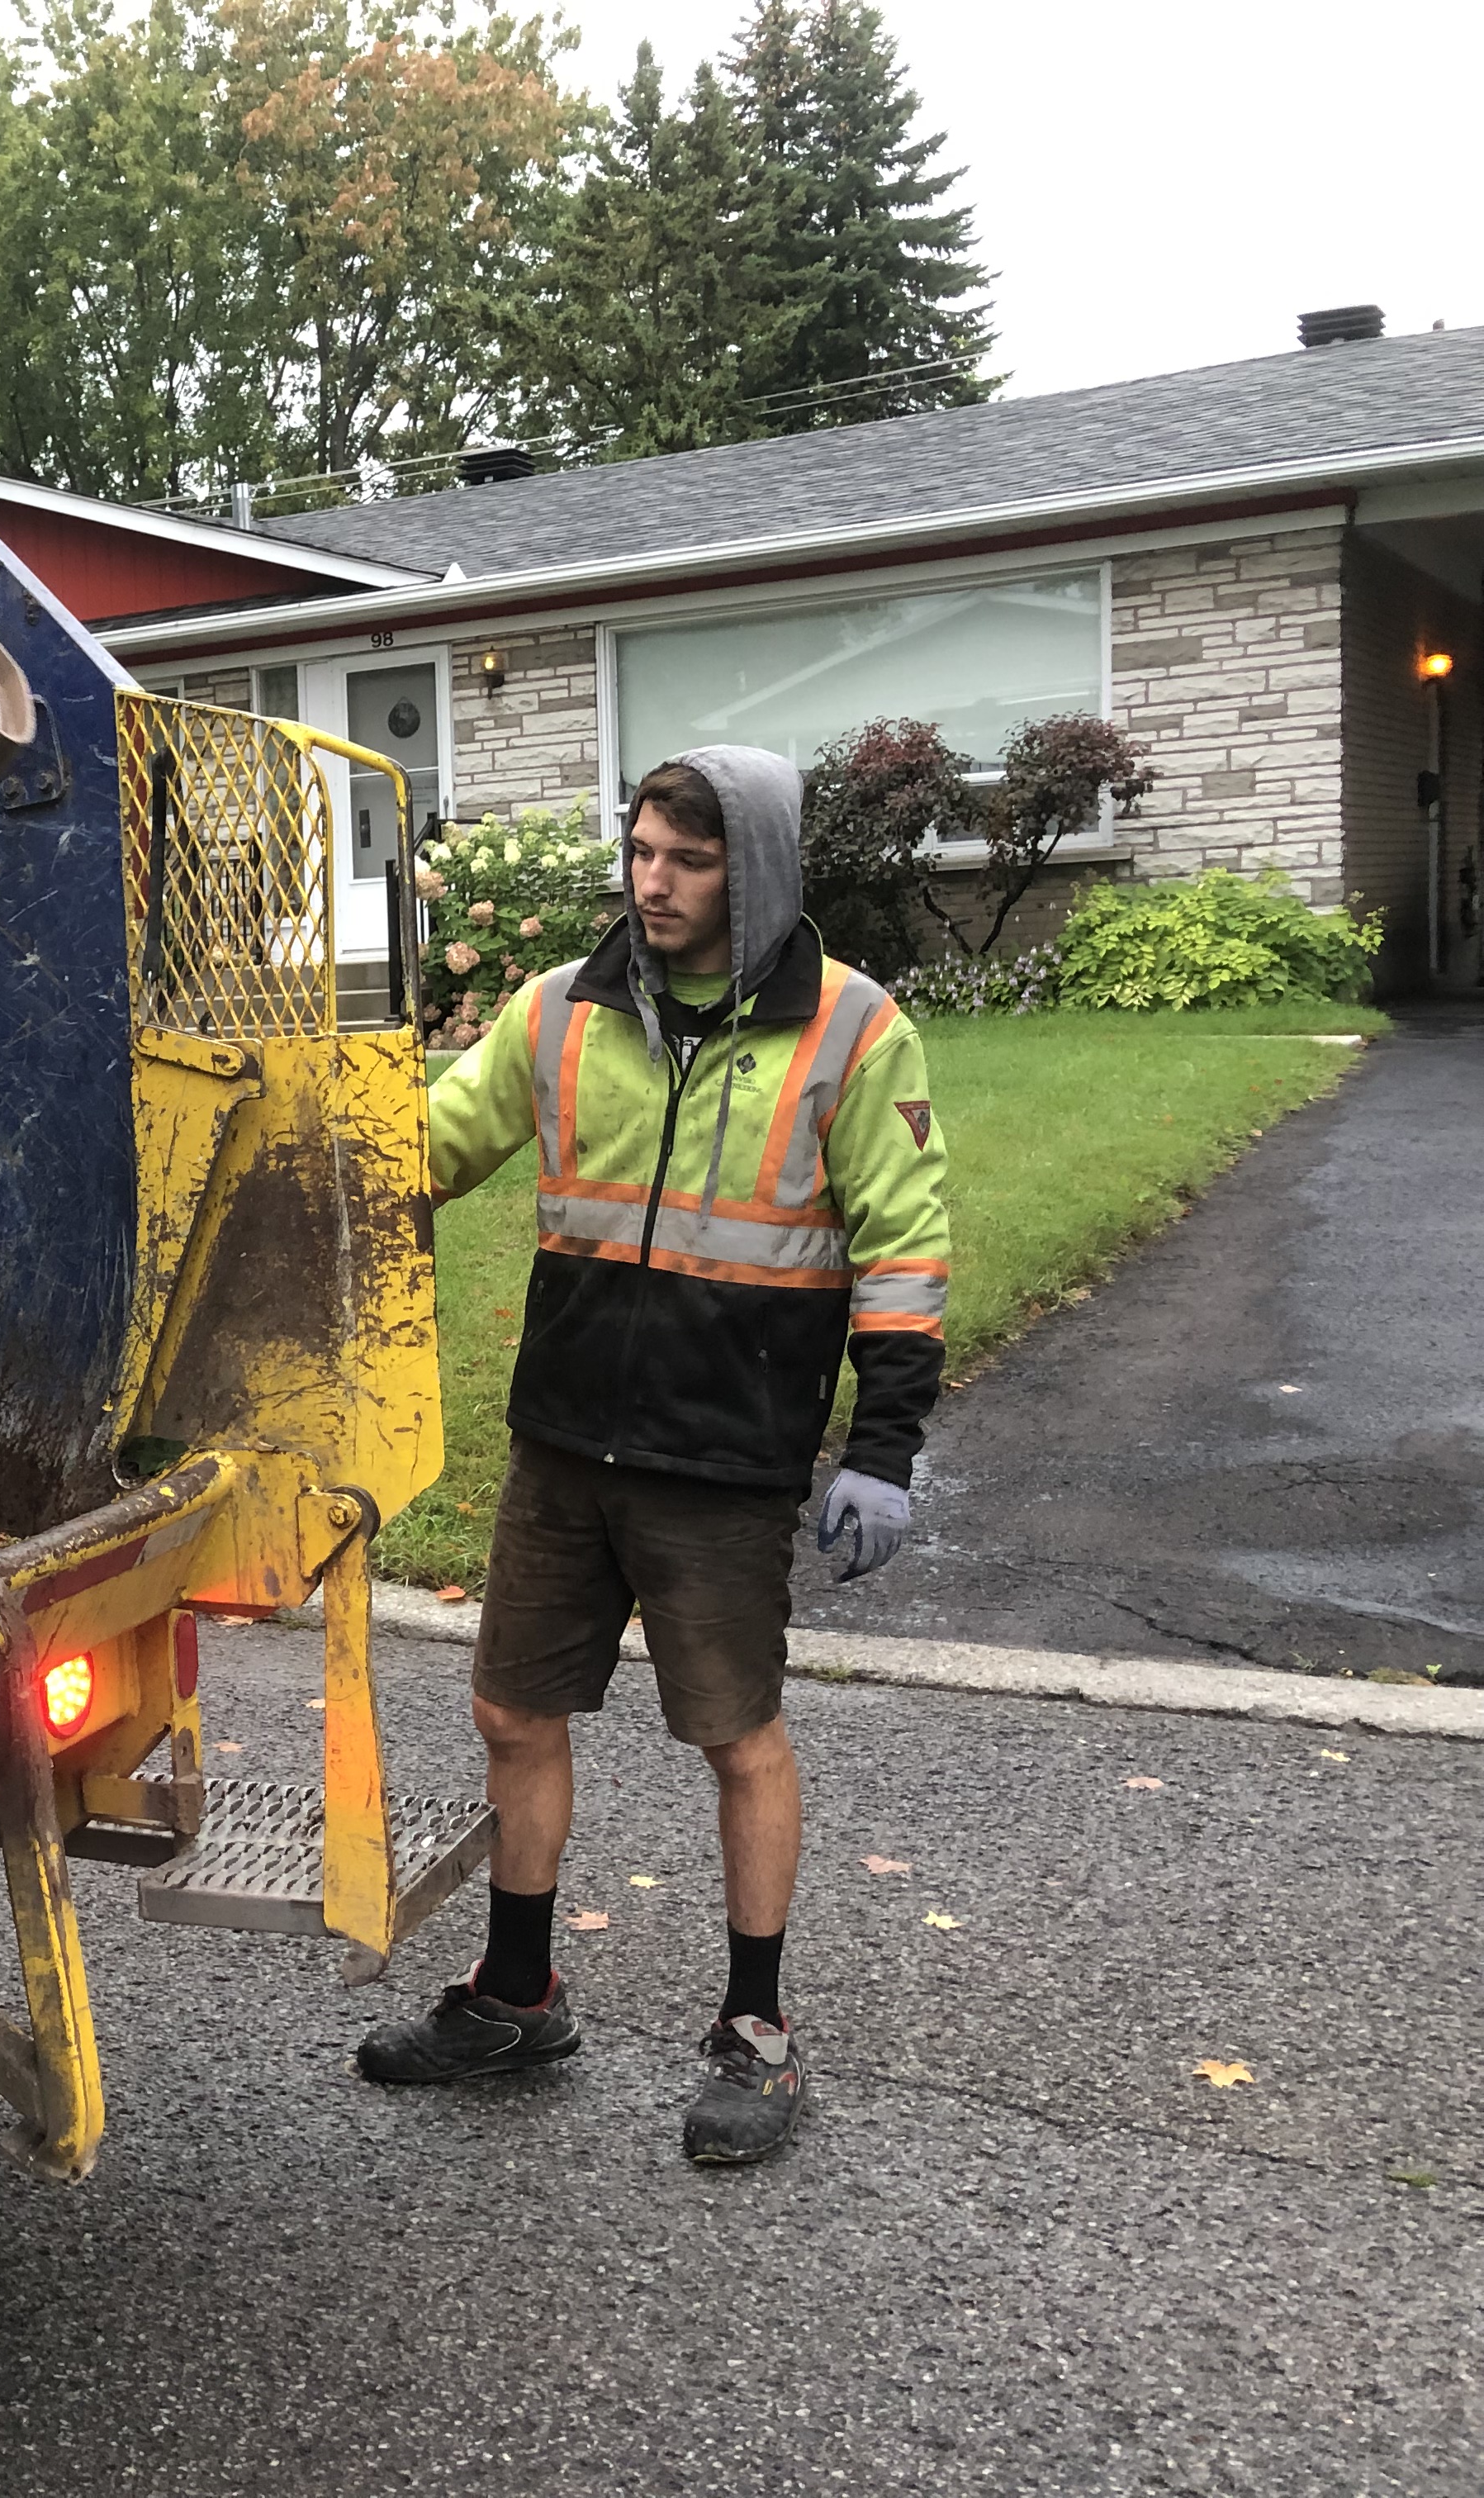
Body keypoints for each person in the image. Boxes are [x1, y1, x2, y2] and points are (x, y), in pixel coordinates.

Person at [353, 745, 950, 2164]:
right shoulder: (562, 1011)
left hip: (725, 1459)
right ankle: (518, 1995)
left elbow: (905, 1249)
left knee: (737, 1739)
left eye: (690, 860)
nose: (654, 882)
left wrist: (884, 1447)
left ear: (759, 871)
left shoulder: (855, 1033)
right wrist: (297, 1138)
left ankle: (758, 2032)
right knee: (512, 1712)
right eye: (640, 853)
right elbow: (423, 1149)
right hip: (565, 1442)